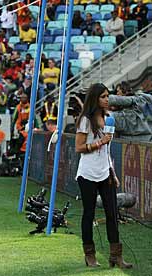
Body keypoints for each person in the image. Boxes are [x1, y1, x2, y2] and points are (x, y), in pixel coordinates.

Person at [75, 83, 132, 269]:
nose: (107, 99)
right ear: (95, 99)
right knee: (89, 213)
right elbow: (79, 148)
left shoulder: (109, 118)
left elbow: (107, 151)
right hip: (88, 173)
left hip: (105, 172)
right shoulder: (85, 120)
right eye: (103, 96)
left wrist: (113, 173)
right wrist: (99, 142)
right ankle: (89, 255)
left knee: (112, 213)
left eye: (108, 96)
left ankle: (116, 255)